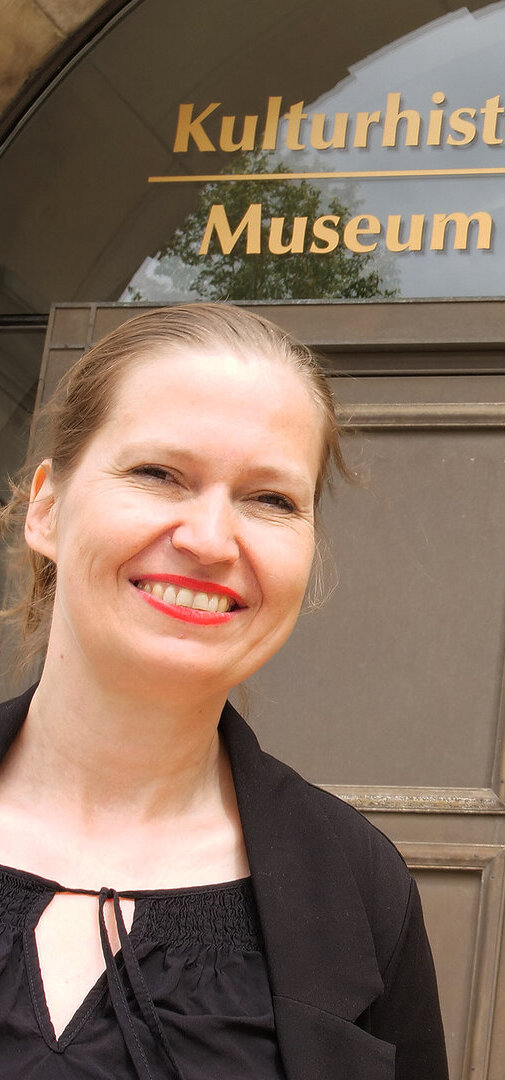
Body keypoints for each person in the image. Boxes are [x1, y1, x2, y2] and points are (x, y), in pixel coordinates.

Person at [0, 304, 448, 1080]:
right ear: (45, 507)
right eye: (157, 475)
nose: (210, 540)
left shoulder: (358, 889)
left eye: (270, 499)